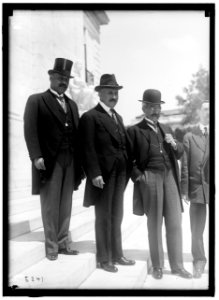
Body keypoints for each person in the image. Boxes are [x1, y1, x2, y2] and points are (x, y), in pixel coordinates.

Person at [127, 89, 192, 280]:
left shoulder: (167, 129)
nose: (156, 111)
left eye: (158, 107)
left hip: (170, 177)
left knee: (175, 223)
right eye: (152, 107)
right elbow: (127, 159)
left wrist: (174, 144)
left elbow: (180, 153)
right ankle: (157, 266)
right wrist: (140, 177)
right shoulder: (135, 131)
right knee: (154, 224)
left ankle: (178, 266)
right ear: (144, 107)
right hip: (150, 177)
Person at [24, 58, 84, 261]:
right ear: (51, 77)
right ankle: (51, 248)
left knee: (66, 203)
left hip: (71, 160)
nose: (63, 82)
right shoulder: (36, 100)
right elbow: (30, 131)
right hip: (50, 160)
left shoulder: (73, 105)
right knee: (50, 204)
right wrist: (36, 156)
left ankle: (63, 243)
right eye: (59, 77)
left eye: (66, 78)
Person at [79, 74, 135, 273]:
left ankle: (117, 254)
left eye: (115, 92)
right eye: (109, 92)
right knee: (103, 216)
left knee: (117, 215)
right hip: (102, 175)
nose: (113, 96)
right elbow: (87, 149)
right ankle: (104, 258)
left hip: (120, 174)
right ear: (100, 94)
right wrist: (94, 173)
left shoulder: (117, 117)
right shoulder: (90, 117)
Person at [181, 101, 209, 278]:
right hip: (198, 188)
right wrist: (185, 190)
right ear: (199, 112)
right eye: (206, 109)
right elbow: (184, 166)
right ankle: (199, 260)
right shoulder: (190, 137)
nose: (209, 112)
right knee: (197, 229)